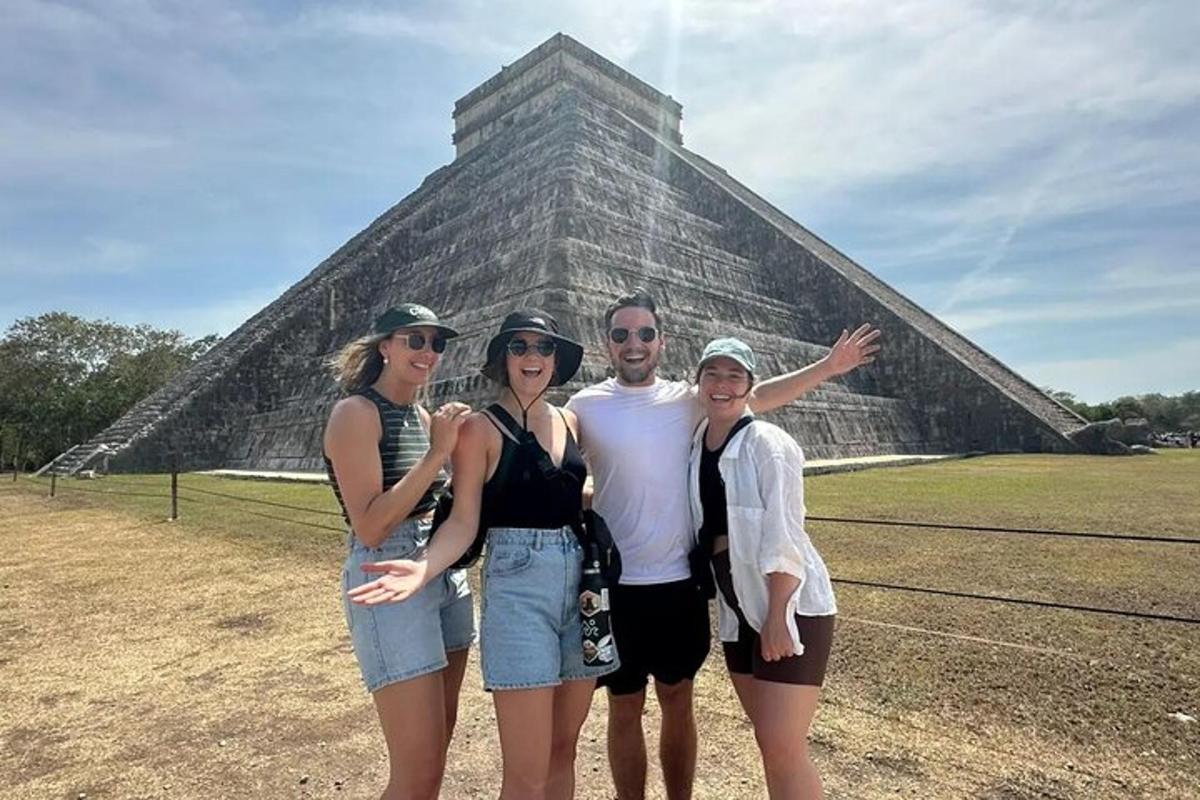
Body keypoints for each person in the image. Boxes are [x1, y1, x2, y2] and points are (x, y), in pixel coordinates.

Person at [565, 288, 878, 800]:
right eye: (621, 334)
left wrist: (826, 367)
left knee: (678, 701)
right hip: (617, 587)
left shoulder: (688, 400)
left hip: (679, 586)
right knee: (623, 707)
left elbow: (756, 396)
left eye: (645, 333)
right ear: (607, 344)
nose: (634, 343)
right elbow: (551, 454)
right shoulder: (584, 405)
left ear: (661, 342)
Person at [350, 309, 618, 800]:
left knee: (565, 750)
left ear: (557, 360)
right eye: (519, 347)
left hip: (583, 586)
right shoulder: (480, 429)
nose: (532, 357)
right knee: (526, 772)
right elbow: (464, 519)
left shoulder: (570, 420)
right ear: (503, 358)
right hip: (519, 587)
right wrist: (424, 567)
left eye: (543, 347)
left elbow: (575, 489)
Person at [322, 303, 474, 800]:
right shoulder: (356, 414)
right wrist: (437, 453)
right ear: (385, 346)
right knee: (418, 768)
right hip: (387, 564)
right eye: (415, 340)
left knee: (437, 748)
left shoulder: (422, 415)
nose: (428, 352)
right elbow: (369, 523)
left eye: (436, 343)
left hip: (440, 565)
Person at [689, 337, 836, 799]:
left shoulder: (768, 444)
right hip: (737, 610)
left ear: (751, 387)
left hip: (788, 607)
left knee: (782, 744)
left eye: (735, 376)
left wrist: (777, 614)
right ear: (698, 383)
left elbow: (785, 536)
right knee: (770, 744)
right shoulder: (699, 440)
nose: (722, 384)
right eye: (712, 373)